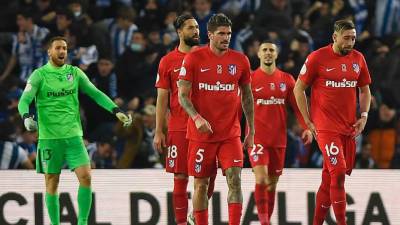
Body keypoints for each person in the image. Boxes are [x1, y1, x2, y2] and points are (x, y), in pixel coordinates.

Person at [17, 36, 132, 225]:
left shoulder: (75, 73)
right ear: (49, 51)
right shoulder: (39, 75)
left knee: (86, 177)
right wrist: (26, 117)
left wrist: (116, 110)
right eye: (58, 48)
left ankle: (83, 222)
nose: (62, 51)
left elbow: (95, 93)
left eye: (64, 48)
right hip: (49, 139)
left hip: (74, 137)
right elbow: (24, 100)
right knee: (52, 183)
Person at [178, 13, 254, 225]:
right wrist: (196, 117)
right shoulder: (193, 58)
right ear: (210, 35)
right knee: (201, 184)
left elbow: (248, 96)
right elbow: (182, 95)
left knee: (235, 180)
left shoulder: (240, 60)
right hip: (202, 135)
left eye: (228, 33)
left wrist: (251, 130)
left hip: (230, 133)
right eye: (221, 33)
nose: (226, 37)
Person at [293, 19, 371, 225]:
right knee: (337, 173)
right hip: (325, 127)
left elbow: (365, 90)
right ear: (334, 37)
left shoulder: (358, 59)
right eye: (346, 38)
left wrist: (364, 116)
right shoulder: (317, 58)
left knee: (329, 179)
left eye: (353, 38)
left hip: (348, 127)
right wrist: (308, 121)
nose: (350, 42)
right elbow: (298, 89)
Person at [153, 14, 216, 225]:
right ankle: (181, 222)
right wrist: (159, 130)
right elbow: (162, 98)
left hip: (206, 127)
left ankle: (193, 216)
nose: (196, 31)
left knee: (208, 178)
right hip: (179, 127)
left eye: (197, 27)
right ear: (179, 32)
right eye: (190, 28)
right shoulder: (167, 61)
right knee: (180, 177)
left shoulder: (209, 55)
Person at [249, 41, 313, 225]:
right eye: (264, 50)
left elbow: (297, 108)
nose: (268, 53)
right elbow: (238, 110)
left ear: (276, 55)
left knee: (272, 183)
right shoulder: (251, 79)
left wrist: (306, 126)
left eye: (271, 50)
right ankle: (264, 222)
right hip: (257, 139)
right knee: (261, 178)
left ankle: (266, 219)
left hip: (278, 140)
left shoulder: (286, 79)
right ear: (258, 54)